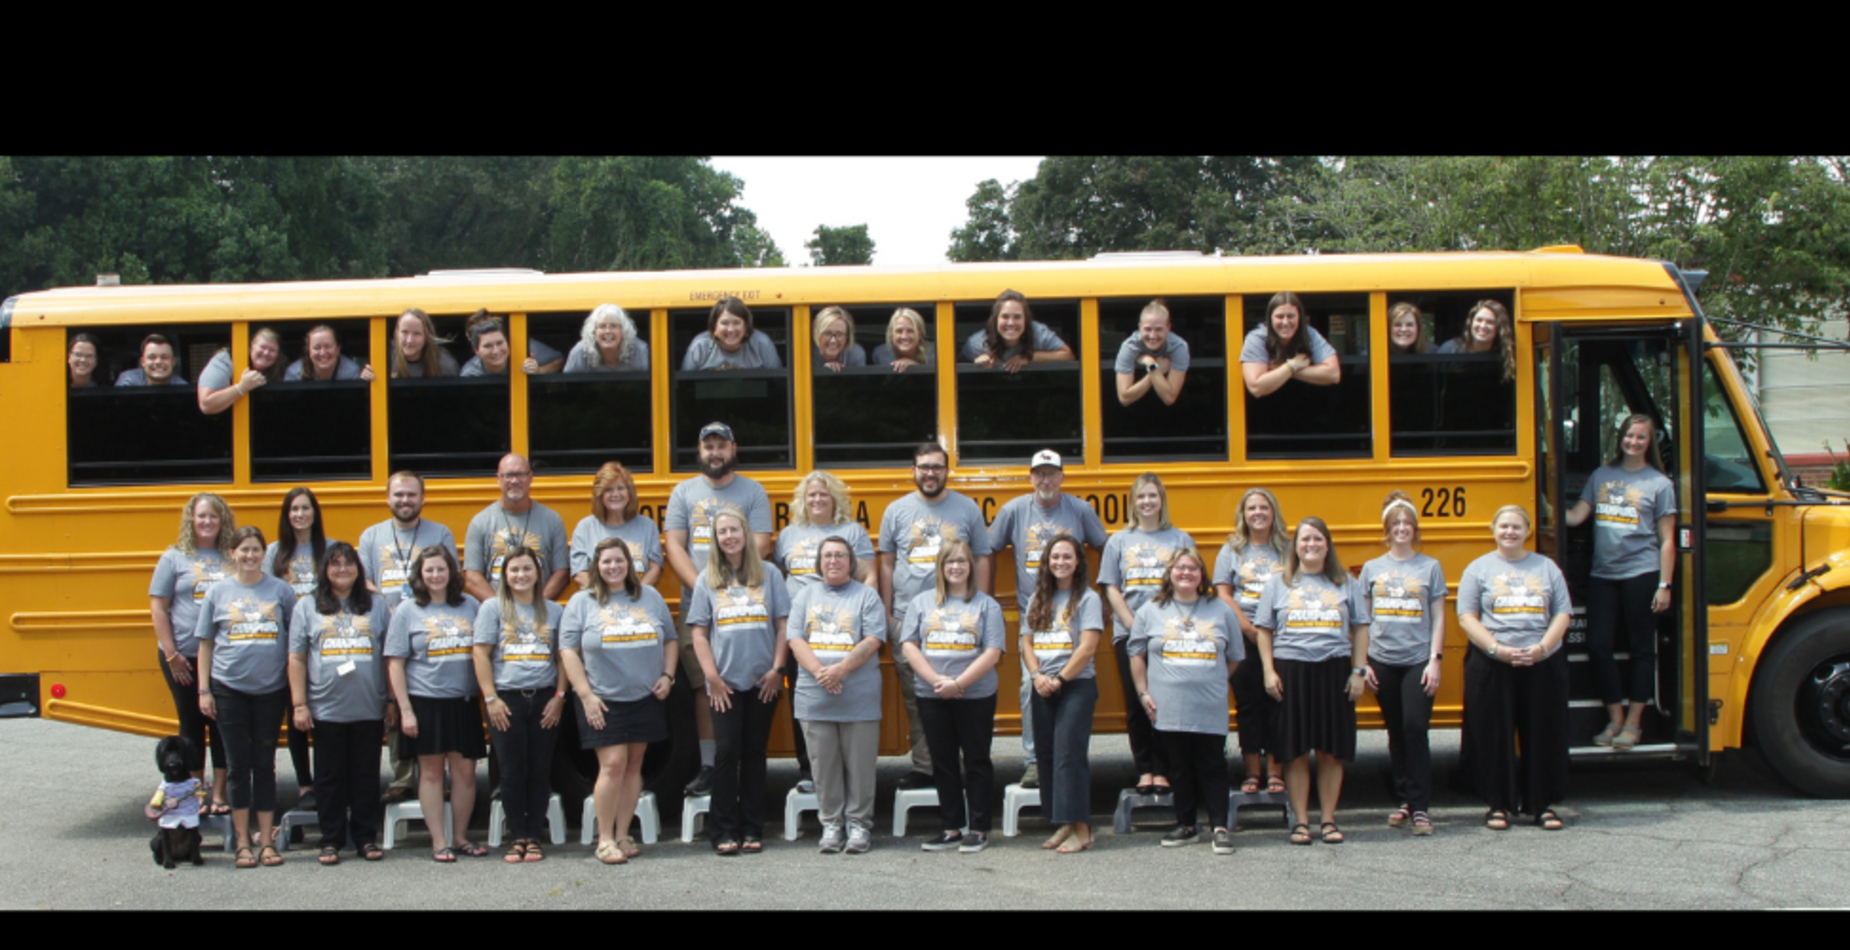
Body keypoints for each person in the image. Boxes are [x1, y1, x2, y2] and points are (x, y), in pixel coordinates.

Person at [664, 422, 774, 796]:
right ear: (699, 451)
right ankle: (711, 764)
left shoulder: (753, 491)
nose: (715, 452)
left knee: (750, 678)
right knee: (703, 682)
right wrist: (704, 590)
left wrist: (730, 586)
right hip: (699, 599)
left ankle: (743, 759)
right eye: (708, 446)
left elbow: (761, 541)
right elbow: (675, 546)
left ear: (733, 448)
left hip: (745, 601)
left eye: (721, 446)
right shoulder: (683, 491)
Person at [987, 449, 1106, 791]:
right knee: (1030, 687)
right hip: (1036, 619)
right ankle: (1036, 762)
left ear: (1062, 477)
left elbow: (1105, 546)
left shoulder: (1079, 509)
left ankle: (1067, 760)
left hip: (1073, 615)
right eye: (1039, 473)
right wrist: (989, 597)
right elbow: (988, 550)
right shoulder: (1013, 511)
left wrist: (1103, 592)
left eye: (1052, 473)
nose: (1046, 480)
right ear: (1030, 477)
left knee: (1075, 685)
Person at [879, 442, 993, 791]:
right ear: (913, 471)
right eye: (924, 467)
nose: (930, 473)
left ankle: (961, 766)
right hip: (909, 620)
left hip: (961, 619)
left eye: (937, 467)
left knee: (964, 694)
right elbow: (886, 562)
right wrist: (887, 614)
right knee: (918, 697)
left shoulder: (967, 508)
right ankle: (927, 766)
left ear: (947, 470)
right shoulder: (895, 511)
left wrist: (982, 605)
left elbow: (983, 557)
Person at [1253, 516, 1370, 846]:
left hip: (1334, 670)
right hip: (1292, 671)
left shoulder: (1345, 581)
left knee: (1331, 752)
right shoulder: (1280, 583)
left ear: (1327, 544)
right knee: (1295, 752)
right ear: (1295, 546)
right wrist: (1268, 670)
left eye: (1318, 539)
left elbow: (1361, 627)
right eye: (1305, 539)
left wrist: (1358, 671)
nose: (1311, 545)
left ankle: (1329, 820)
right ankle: (1301, 821)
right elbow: (1265, 630)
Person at [560, 538, 677, 864]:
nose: (613, 567)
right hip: (602, 699)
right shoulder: (582, 602)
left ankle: (624, 833)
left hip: (644, 696)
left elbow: (670, 639)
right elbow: (568, 651)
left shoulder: (649, 597)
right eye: (606, 562)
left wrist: (667, 676)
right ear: (597, 567)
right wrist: (585, 695)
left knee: (634, 766)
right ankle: (605, 839)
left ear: (630, 564)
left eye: (619, 561)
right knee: (611, 765)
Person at [1564, 413, 1676, 752]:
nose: (1634, 442)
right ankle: (1614, 717)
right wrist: (1542, 501)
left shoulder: (1660, 484)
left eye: (1641, 437)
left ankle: (1634, 723)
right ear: (1621, 438)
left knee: (1643, 649)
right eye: (1629, 435)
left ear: (1650, 442)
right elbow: (1577, 517)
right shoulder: (1602, 476)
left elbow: (1668, 539)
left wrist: (1664, 585)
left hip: (1642, 573)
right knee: (1598, 646)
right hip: (1603, 575)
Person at [1458, 505, 1573, 831]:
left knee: (1543, 732)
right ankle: (1498, 804)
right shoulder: (1478, 569)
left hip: (1541, 663)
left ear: (1528, 531)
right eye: (1504, 526)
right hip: (1493, 663)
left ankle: (1542, 805)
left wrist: (1542, 649)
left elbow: (1562, 613)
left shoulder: (1547, 567)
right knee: (1493, 734)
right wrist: (1498, 649)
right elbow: (1466, 616)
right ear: (1493, 529)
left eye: (1516, 527)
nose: (1510, 532)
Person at [687, 510, 791, 855]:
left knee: (754, 753)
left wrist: (778, 670)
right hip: (725, 684)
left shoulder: (770, 574)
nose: (728, 536)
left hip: (763, 681)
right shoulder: (708, 578)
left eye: (734, 530)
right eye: (721, 532)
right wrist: (711, 679)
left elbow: (782, 625)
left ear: (745, 533)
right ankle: (723, 829)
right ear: (715, 540)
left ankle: (752, 827)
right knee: (727, 752)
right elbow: (699, 634)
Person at [194, 525, 298, 868]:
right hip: (229, 689)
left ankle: (266, 842)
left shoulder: (281, 591)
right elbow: (205, 643)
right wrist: (205, 690)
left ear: (263, 554)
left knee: (265, 765)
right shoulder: (218, 593)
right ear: (233, 553)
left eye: (256, 550)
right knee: (238, 766)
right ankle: (242, 843)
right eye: (244, 550)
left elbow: (295, 642)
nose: (250, 556)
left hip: (270, 689)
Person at [1128, 547, 1243, 854]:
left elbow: (1234, 657)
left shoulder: (1220, 610)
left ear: (1201, 575)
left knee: (1213, 765)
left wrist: (1211, 678)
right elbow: (1136, 654)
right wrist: (1143, 692)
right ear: (1170, 573)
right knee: (1178, 768)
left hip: (1209, 704)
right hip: (1168, 705)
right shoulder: (1150, 610)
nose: (1186, 573)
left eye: (1193, 568)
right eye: (1180, 568)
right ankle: (1187, 824)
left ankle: (1220, 826)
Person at [287, 541, 393, 864]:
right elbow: (297, 658)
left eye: (349, 563)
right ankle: (331, 839)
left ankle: (364, 837)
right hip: (325, 708)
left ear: (358, 569)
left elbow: (390, 656)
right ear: (325, 570)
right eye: (335, 564)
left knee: (365, 775)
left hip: (368, 706)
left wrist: (390, 699)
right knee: (329, 778)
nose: (343, 569)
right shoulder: (307, 606)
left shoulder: (376, 605)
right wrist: (300, 704)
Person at [356, 471, 457, 803]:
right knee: (395, 703)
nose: (405, 501)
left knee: (431, 701)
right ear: (387, 498)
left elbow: (450, 577)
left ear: (422, 498)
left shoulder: (439, 533)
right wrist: (387, 609)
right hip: (386, 628)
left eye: (411, 495)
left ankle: (435, 773)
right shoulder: (371, 536)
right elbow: (364, 580)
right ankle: (401, 774)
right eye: (398, 495)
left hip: (430, 628)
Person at [900, 538, 1007, 853]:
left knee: (976, 760)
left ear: (971, 566)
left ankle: (979, 828)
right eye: (950, 562)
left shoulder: (987, 605)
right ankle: (951, 828)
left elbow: (993, 652)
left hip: (975, 695)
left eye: (961, 561)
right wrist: (936, 681)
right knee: (943, 761)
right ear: (941, 568)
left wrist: (958, 684)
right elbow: (909, 645)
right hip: (932, 694)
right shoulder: (922, 603)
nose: (956, 567)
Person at [774, 469, 875, 791]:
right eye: (811, 494)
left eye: (823, 494)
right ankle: (811, 770)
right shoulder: (789, 534)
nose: (817, 499)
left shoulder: (851, 531)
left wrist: (865, 623)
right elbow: (781, 573)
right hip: (802, 632)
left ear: (835, 499)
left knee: (845, 694)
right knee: (804, 699)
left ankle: (845, 770)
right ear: (803, 500)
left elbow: (869, 576)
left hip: (844, 628)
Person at [787, 536, 888, 854]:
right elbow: (794, 639)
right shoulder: (805, 595)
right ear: (819, 562)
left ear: (851, 562)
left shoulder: (867, 596)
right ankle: (831, 823)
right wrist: (821, 673)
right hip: (814, 696)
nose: (833, 561)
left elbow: (873, 639)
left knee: (860, 765)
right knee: (823, 765)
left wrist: (840, 670)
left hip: (858, 697)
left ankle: (859, 825)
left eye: (840, 555)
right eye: (828, 555)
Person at [385, 546, 486, 861]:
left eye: (441, 569)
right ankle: (438, 840)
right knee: (430, 774)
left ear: (452, 572)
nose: (435, 575)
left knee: (465, 773)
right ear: (419, 574)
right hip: (425, 702)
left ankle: (459, 837)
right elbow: (395, 663)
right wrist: (405, 710)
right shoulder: (408, 610)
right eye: (429, 570)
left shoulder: (470, 605)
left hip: (464, 702)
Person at [1099, 472, 1194, 796]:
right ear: (1133, 502)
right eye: (1141, 496)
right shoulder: (1119, 540)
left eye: (1153, 495)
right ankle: (1145, 770)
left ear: (1162, 500)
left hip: (1170, 633)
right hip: (1130, 632)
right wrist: (1134, 625)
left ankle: (1164, 768)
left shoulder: (1180, 539)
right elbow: (1111, 587)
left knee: (1167, 701)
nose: (1147, 501)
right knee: (1136, 702)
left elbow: (1190, 584)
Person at [472, 545, 567, 863]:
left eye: (527, 569)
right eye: (514, 570)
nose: (521, 575)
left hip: (544, 698)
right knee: (511, 772)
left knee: (540, 770)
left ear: (538, 574)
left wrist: (559, 697)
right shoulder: (492, 608)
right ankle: (518, 837)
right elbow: (481, 654)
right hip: (506, 700)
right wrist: (491, 699)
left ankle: (535, 836)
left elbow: (563, 657)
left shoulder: (554, 610)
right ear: (504, 575)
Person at [1360, 491, 1447, 836]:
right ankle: (1406, 801)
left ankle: (1422, 806)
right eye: (1395, 523)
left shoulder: (1430, 567)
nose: (1401, 528)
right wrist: (1363, 662)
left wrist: (1434, 661)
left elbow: (1439, 617)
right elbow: (1363, 619)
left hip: (1417, 661)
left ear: (1415, 528)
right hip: (1382, 660)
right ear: (1386, 529)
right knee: (1396, 732)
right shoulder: (1371, 569)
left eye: (1407, 523)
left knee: (1415, 728)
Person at [150, 493, 236, 816]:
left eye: (213, 516)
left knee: (221, 723)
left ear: (222, 520)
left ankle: (220, 794)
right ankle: (196, 792)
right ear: (191, 520)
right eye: (201, 516)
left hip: (224, 656)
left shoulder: (231, 556)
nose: (207, 522)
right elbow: (158, 607)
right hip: (183, 656)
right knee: (191, 723)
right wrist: (172, 654)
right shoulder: (174, 557)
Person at [1021, 533, 1102, 853]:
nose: (1060, 562)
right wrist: (1037, 675)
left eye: (1067, 556)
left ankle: (1083, 829)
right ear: (1047, 562)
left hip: (1075, 686)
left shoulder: (1088, 599)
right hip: (1043, 684)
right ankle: (1063, 822)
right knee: (1048, 756)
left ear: (1078, 562)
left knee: (1070, 754)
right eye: (1055, 557)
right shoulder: (1038, 597)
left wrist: (1060, 680)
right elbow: (1026, 642)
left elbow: (1088, 647)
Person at [1213, 487, 1289, 794]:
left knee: (1279, 700)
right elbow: (1223, 593)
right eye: (1251, 508)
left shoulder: (1287, 548)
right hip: (1243, 635)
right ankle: (1252, 772)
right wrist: (1248, 630)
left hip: (1282, 634)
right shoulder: (1231, 550)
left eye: (1264, 507)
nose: (1258, 513)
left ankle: (1276, 770)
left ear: (1273, 513)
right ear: (1243, 514)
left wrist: (1269, 630)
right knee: (1248, 703)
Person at [263, 486, 330, 805]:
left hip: (324, 646)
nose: (300, 514)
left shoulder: (328, 551)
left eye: (305, 508)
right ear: (286, 515)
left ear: (315, 513)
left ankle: (328, 780)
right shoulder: (274, 554)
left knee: (324, 715)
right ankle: (305, 785)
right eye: (294, 509)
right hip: (288, 648)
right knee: (297, 715)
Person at [463, 453, 571, 604]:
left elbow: (562, 573)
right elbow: (472, 577)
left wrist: (537, 607)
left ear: (531, 477)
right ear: (498, 478)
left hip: (540, 614)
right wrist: (501, 609)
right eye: (508, 475)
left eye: (520, 474)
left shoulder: (552, 521)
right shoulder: (480, 522)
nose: (514, 481)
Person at [570, 461, 664, 591]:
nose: (615, 494)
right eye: (608, 489)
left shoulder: (648, 526)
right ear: (600, 495)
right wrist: (606, 597)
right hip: (599, 603)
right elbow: (580, 574)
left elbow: (655, 569)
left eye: (621, 488)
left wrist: (635, 595)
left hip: (637, 602)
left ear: (629, 492)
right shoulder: (585, 528)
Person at [1241, 291, 1339, 398]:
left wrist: (1286, 368)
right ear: (1270, 318)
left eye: (1291, 316)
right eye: (1280, 317)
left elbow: (1334, 374)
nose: (1286, 322)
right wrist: (1292, 365)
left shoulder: (1309, 334)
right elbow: (1256, 388)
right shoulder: (1257, 338)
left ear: (1299, 317)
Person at [962, 289, 1074, 372]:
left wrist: (1029, 357)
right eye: (1005, 316)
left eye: (1017, 317)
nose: (1011, 323)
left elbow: (1068, 355)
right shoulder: (976, 344)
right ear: (995, 320)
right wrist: (976, 361)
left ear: (1026, 319)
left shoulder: (1039, 333)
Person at [1115, 299, 1190, 406]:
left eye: (1159, 329)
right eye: (1147, 329)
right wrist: (1152, 365)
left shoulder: (1179, 346)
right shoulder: (1130, 346)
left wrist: (1152, 367)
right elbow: (1124, 398)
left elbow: (1170, 398)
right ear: (1139, 327)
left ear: (1168, 328)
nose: (1153, 336)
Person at [681, 296, 782, 370]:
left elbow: (779, 384)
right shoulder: (700, 345)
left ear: (746, 326)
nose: (730, 329)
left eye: (737, 323)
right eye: (724, 323)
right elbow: (684, 388)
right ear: (715, 326)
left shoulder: (762, 344)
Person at [197, 328, 283, 414]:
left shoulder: (280, 367)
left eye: (272, 350)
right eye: (262, 347)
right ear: (251, 346)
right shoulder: (226, 360)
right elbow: (206, 405)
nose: (266, 353)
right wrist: (242, 387)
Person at [460, 310, 564, 377]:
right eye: (488, 346)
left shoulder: (525, 347)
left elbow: (560, 361)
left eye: (500, 343)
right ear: (476, 350)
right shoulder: (470, 373)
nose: (496, 351)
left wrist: (538, 371)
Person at [1437, 299, 1517, 382]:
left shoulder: (1506, 355)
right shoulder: (1451, 349)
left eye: (1490, 322)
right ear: (1471, 322)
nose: (1483, 326)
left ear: (1500, 327)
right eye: (1479, 320)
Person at [564, 303, 650, 373]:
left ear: (623, 331)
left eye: (613, 326)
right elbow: (567, 387)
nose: (608, 331)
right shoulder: (580, 352)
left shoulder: (641, 352)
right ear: (593, 332)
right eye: (602, 326)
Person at [283, 324, 375, 381]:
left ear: (338, 349)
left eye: (328, 346)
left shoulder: (352, 371)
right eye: (317, 347)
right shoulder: (294, 373)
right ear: (308, 351)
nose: (323, 353)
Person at [391, 308, 460, 378]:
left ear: (427, 336)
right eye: (404, 332)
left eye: (417, 334)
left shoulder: (445, 365)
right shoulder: (386, 359)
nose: (409, 340)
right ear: (396, 333)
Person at [871, 307, 932, 372]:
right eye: (899, 331)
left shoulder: (935, 353)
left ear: (920, 334)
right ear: (891, 334)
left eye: (911, 331)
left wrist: (915, 367)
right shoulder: (880, 353)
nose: (904, 336)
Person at [116, 333, 188, 386]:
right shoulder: (129, 380)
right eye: (152, 357)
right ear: (142, 362)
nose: (158, 362)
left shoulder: (181, 386)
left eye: (164, 357)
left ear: (173, 362)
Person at [811, 305, 866, 372]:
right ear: (817, 334)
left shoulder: (855, 354)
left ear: (847, 337)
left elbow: (860, 381)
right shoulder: (808, 354)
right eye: (827, 333)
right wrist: (824, 370)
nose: (833, 341)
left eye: (839, 334)